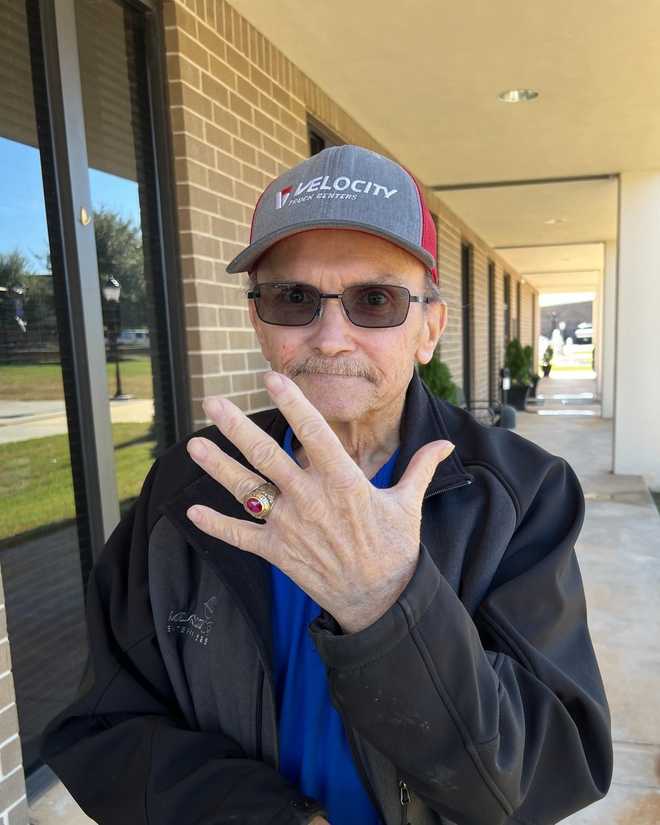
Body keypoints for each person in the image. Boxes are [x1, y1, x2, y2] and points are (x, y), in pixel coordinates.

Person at [40, 145, 613, 825]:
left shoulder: (520, 494)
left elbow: (550, 772)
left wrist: (387, 603)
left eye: (375, 299)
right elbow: (105, 726)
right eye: (294, 298)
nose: (331, 337)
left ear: (430, 327)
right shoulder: (186, 487)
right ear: (259, 320)